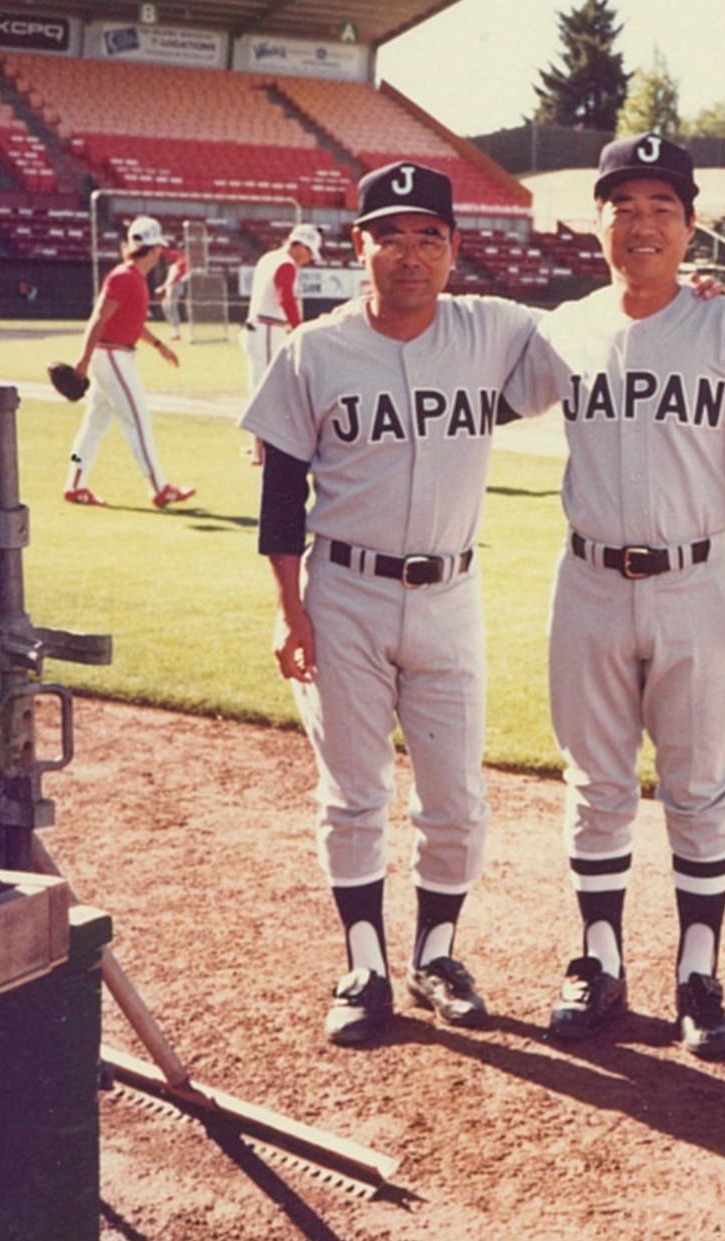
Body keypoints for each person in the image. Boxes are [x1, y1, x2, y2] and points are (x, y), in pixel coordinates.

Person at [502, 133, 725, 1061]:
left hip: (696, 581)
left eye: (660, 209)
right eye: (623, 207)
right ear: (597, 222)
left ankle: (698, 976)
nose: (641, 224)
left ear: (689, 225)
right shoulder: (563, 328)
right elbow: (467, 397)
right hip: (587, 581)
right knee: (593, 783)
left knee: (698, 784)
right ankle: (598, 962)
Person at [238, 163, 541, 1046]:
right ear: (357, 244)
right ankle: (364, 962)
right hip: (346, 593)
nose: (410, 253)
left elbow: (605, 336)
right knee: (354, 793)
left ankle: (436, 955)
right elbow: (282, 496)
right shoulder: (316, 348)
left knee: (456, 798)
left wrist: (680, 291)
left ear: (454, 249)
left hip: (450, 592)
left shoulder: (493, 332)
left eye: (429, 236)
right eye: (391, 235)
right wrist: (288, 609)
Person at [63, 215, 196, 510]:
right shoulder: (124, 276)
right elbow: (99, 318)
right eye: (158, 249)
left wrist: (159, 345)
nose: (160, 254)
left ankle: (74, 484)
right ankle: (160, 488)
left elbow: (132, 324)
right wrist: (83, 360)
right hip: (112, 357)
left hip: (115, 355)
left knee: (93, 426)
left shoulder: (133, 277)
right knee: (138, 422)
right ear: (152, 250)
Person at [241, 221, 323, 465]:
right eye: (309, 252)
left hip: (256, 327)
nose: (308, 259)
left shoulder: (269, 257)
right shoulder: (286, 264)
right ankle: (261, 451)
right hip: (267, 328)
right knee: (267, 390)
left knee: (256, 385)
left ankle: (255, 445)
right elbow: (285, 298)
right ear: (301, 246)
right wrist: (300, 329)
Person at [157, 244, 190, 341]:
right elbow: (168, 253)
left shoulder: (183, 260)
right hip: (172, 285)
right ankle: (174, 330)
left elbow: (177, 277)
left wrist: (163, 287)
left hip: (175, 285)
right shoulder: (179, 259)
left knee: (171, 306)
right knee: (166, 305)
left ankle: (176, 332)